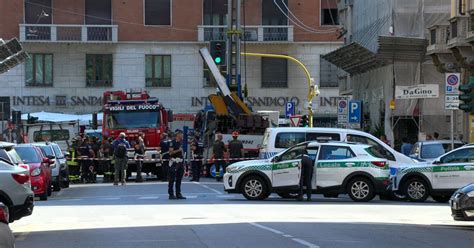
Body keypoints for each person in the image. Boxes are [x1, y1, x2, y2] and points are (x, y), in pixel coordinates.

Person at [168, 129, 186, 200]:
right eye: (181, 134)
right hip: (174, 162)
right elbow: (170, 153)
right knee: (172, 179)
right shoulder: (172, 142)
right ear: (177, 134)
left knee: (179, 179)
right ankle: (171, 194)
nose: (182, 135)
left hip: (180, 162)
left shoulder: (180, 142)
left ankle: (178, 193)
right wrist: (179, 150)